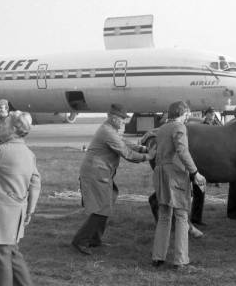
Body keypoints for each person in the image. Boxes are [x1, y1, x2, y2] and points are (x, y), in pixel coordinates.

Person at [72, 103, 150, 255]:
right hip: (96, 174)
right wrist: (148, 156)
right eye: (122, 119)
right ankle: (80, 241)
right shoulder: (107, 132)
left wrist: (142, 148)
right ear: (113, 118)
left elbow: (123, 143)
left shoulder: (111, 130)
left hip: (102, 173)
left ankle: (94, 240)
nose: (123, 121)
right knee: (100, 208)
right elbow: (127, 153)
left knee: (107, 202)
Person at [151, 101, 206, 269]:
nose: (189, 116)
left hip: (160, 174)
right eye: (188, 113)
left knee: (165, 216)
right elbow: (182, 151)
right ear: (183, 113)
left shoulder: (161, 129)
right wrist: (195, 172)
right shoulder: (179, 127)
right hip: (175, 175)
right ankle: (181, 260)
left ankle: (158, 257)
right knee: (181, 216)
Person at [0, 111, 40, 286]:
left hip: (1, 215)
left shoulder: (0, 151)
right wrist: (29, 210)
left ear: (12, 129)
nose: (0, 125)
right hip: (17, 212)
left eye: (4, 123)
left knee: (0, 256)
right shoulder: (28, 153)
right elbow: (35, 182)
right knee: (12, 254)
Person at [190, 106, 221, 226]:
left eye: (213, 114)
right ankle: (195, 218)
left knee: (201, 190)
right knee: (199, 190)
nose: (212, 115)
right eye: (210, 114)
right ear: (206, 114)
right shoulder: (201, 126)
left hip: (212, 158)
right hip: (202, 159)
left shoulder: (216, 124)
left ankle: (196, 217)